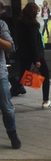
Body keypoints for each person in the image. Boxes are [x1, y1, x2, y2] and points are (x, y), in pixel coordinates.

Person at [16, 2, 51, 108]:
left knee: (21, 77)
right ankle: (46, 101)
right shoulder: (33, 25)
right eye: (37, 12)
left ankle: (6, 99)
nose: (38, 14)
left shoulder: (20, 24)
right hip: (35, 54)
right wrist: (37, 60)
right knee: (45, 75)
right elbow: (34, 43)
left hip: (24, 54)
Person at [0, 17, 20, 148]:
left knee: (6, 107)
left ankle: (13, 135)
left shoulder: (1, 24)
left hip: (0, 75)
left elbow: (10, 46)